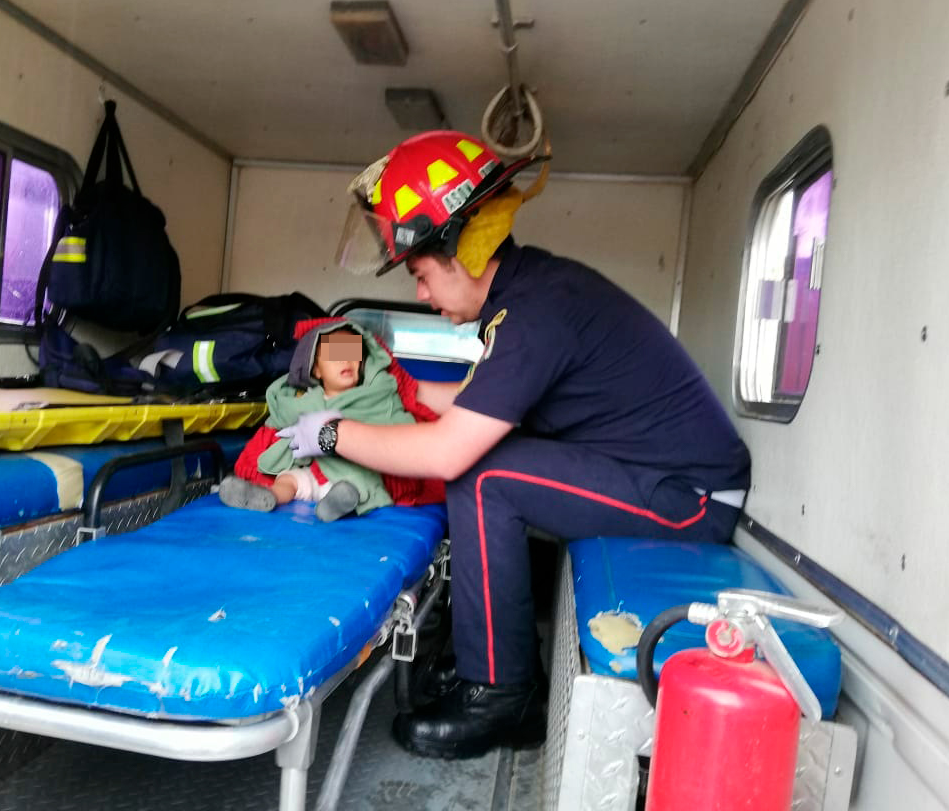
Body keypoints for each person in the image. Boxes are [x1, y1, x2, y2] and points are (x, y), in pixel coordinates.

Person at [277, 130, 752, 760]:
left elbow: (450, 450)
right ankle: (489, 656)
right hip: (647, 474)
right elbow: (464, 403)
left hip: (688, 498)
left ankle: (502, 693)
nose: (421, 294)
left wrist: (332, 433)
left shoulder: (536, 311)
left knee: (482, 478)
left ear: (462, 249)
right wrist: (386, 389)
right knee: (485, 468)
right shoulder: (523, 300)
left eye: (421, 274)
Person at [219, 321, 417, 522]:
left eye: (352, 354)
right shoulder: (299, 401)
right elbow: (276, 426)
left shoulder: (374, 399)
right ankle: (268, 497)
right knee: (288, 480)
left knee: (353, 488)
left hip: (350, 474)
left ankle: (336, 506)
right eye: (335, 354)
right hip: (309, 473)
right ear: (316, 370)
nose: (345, 361)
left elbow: (400, 431)